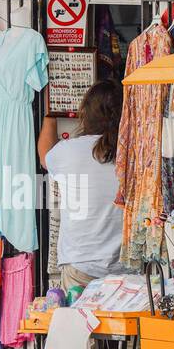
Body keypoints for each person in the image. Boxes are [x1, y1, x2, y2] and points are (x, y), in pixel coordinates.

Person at [37, 82, 124, 292]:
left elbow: (44, 156)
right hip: (125, 265)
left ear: (85, 114)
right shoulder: (131, 150)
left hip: (80, 263)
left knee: (79, 324)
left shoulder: (69, 151)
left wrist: (50, 114)